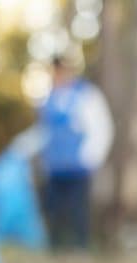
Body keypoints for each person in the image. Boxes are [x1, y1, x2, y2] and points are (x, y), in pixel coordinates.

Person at [39, 56, 114, 250]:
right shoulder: (49, 98)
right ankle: (56, 248)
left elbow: (101, 127)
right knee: (54, 208)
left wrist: (92, 156)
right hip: (55, 165)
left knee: (78, 208)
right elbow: (44, 131)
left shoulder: (86, 95)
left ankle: (81, 247)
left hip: (78, 164)